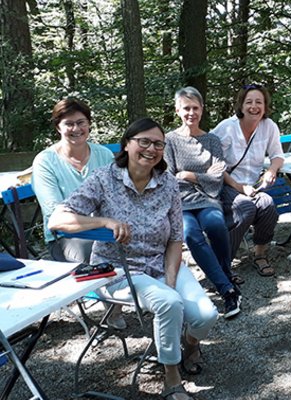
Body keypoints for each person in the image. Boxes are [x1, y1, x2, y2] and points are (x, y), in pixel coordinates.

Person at [48, 118, 218, 400]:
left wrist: (171, 279)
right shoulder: (104, 179)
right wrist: (102, 221)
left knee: (206, 315)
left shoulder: (168, 184)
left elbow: (176, 238)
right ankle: (172, 380)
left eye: (158, 144)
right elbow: (57, 219)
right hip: (119, 271)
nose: (151, 148)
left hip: (161, 263)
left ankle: (189, 343)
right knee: (168, 302)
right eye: (144, 141)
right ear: (127, 145)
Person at [164, 86, 241, 320]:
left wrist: (190, 176)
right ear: (178, 110)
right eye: (186, 108)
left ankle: (223, 275)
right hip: (180, 203)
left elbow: (218, 176)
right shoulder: (169, 141)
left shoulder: (212, 141)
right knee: (189, 233)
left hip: (208, 199)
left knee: (216, 224)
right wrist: (201, 175)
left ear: (202, 110)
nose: (191, 113)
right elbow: (168, 176)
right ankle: (226, 288)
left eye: (195, 108)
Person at [211, 84, 284, 277]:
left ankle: (259, 255)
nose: (254, 106)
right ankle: (223, 263)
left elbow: (277, 155)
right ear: (241, 106)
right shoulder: (227, 128)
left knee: (268, 206)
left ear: (265, 105)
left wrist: (271, 170)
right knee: (245, 208)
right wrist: (237, 186)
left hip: (253, 186)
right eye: (249, 102)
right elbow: (211, 161)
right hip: (226, 184)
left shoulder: (269, 126)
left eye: (258, 102)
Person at [32, 98, 114, 263]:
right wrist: (102, 222)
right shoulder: (45, 161)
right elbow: (55, 215)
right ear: (58, 127)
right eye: (69, 124)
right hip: (66, 237)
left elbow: (116, 198)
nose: (76, 129)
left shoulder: (104, 155)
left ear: (89, 124)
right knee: (97, 254)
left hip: (105, 231)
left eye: (81, 122)